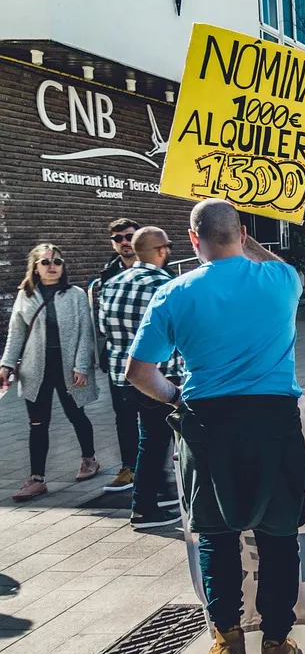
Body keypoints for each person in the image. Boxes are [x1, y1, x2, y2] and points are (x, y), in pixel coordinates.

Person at [127, 199, 305, 654]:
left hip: (208, 424)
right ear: (244, 233)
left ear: (191, 239)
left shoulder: (174, 294)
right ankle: (276, 641)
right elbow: (282, 263)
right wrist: (248, 241)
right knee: (278, 534)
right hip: (274, 422)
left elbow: (139, 373)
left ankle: (226, 638)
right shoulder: (282, 281)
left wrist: (175, 399)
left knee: (214, 533)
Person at [97, 227, 183, 529]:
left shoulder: (111, 284)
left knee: (149, 437)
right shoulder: (166, 285)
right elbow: (179, 334)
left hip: (124, 376)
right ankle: (144, 507)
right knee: (154, 441)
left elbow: (105, 329)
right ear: (160, 250)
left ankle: (158, 494)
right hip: (159, 375)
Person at [1, 244, 100, 501]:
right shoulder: (26, 294)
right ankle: (37, 479)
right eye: (45, 262)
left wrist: (81, 366)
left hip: (67, 368)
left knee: (75, 413)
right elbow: (17, 333)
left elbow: (85, 333)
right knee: (37, 423)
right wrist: (7, 364)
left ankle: (89, 460)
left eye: (57, 261)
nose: (52, 266)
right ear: (35, 266)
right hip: (36, 368)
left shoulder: (76, 294)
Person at [97, 218, 141, 495]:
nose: (124, 242)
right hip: (119, 359)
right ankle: (129, 467)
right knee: (123, 415)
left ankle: (165, 466)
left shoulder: (156, 268)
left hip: (154, 358)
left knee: (160, 415)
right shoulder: (108, 274)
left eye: (129, 236)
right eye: (118, 239)